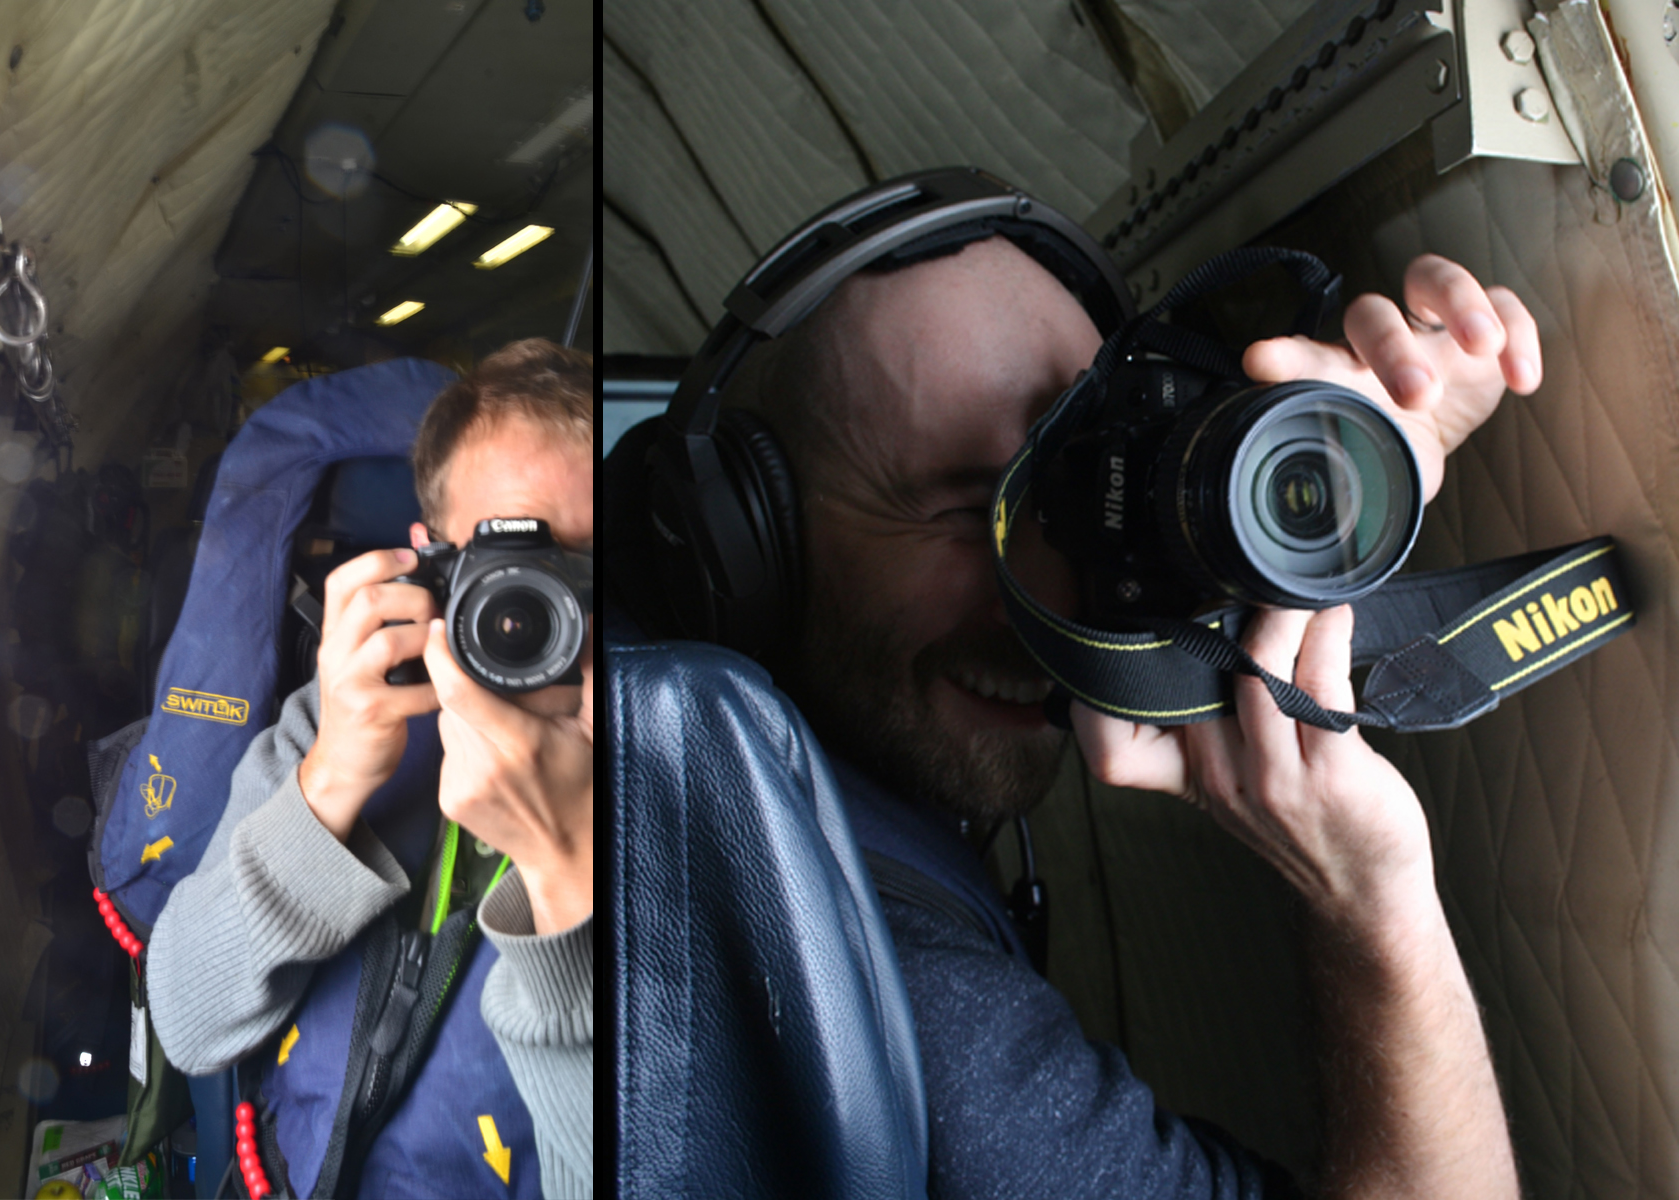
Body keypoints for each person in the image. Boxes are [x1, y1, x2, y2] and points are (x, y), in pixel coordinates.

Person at [653, 224, 1540, 1197]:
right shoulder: (902, 996)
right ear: (744, 540)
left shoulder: (689, 756)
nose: (1043, 600)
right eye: (969, 513)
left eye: (1079, 495)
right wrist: (1371, 899)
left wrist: (1362, 474)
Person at [147, 337, 594, 1199]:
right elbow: (189, 1023)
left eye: (582, 572)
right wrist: (330, 782)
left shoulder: (675, 780)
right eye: (512, 568)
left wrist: (568, 878)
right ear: (431, 559)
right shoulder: (345, 716)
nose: (546, 613)